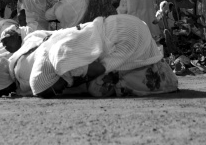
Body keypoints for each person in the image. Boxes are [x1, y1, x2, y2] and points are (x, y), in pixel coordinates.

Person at [29, 14, 178, 98]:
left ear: (50, 79)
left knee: (97, 88)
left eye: (53, 91)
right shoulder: (55, 50)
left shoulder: (61, 64)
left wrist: (76, 83)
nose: (59, 93)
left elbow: (99, 69)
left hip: (126, 37)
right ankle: (157, 71)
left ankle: (163, 80)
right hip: (123, 23)